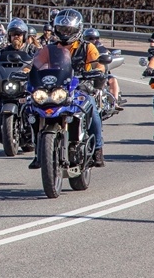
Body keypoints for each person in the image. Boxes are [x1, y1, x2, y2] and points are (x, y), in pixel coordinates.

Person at [30, 9, 106, 168]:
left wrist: (98, 71)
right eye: (62, 29)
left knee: (92, 108)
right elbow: (35, 65)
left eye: (68, 30)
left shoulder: (87, 47)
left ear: (77, 29)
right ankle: (39, 151)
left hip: (80, 86)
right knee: (31, 109)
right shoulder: (49, 49)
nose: (64, 33)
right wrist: (25, 73)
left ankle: (98, 149)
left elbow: (99, 63)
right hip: (55, 88)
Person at [83, 28, 124, 111]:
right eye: (90, 38)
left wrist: (112, 56)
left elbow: (109, 54)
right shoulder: (82, 49)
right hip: (86, 74)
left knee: (113, 79)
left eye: (96, 38)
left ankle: (115, 102)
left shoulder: (102, 48)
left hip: (101, 73)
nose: (94, 40)